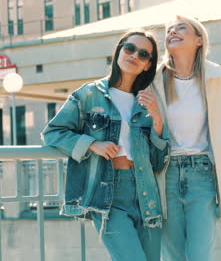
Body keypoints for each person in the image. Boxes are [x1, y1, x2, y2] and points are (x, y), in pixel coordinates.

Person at [42, 30, 169, 261]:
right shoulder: (90, 94)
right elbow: (53, 133)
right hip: (108, 194)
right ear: (119, 50)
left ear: (148, 65)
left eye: (143, 54)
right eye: (129, 48)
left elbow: (158, 162)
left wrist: (157, 120)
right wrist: (92, 144)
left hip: (147, 194)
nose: (134, 56)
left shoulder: (147, 102)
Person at [148, 16, 221, 260]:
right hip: (165, 172)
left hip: (202, 173)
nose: (172, 33)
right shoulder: (154, 78)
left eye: (181, 28)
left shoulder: (215, 75)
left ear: (199, 40)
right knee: (173, 254)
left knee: (201, 253)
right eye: (169, 30)